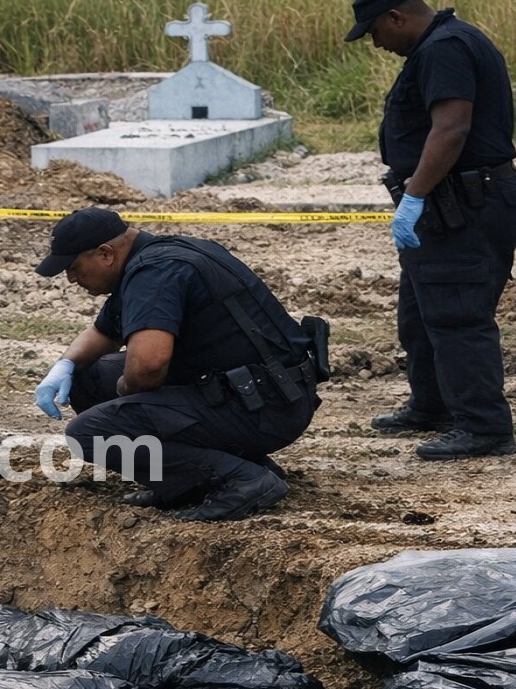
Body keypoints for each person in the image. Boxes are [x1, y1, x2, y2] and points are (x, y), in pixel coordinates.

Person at [31, 208, 321, 521]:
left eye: (74, 268)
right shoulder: (163, 256)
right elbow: (104, 332)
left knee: (90, 432)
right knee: (88, 377)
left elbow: (148, 367)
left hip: (265, 409)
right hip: (267, 394)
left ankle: (242, 479)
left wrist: (125, 394)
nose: (72, 279)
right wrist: (64, 367)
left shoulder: (155, 273)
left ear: (105, 254)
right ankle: (198, 478)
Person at [348, 0, 516, 459]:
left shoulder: (444, 49)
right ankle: (431, 406)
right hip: (451, 206)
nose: (376, 43)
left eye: (374, 32)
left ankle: (484, 428)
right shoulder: (443, 44)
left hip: (464, 205)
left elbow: (451, 128)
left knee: (457, 316)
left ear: (396, 18)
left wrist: (415, 194)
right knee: (420, 311)